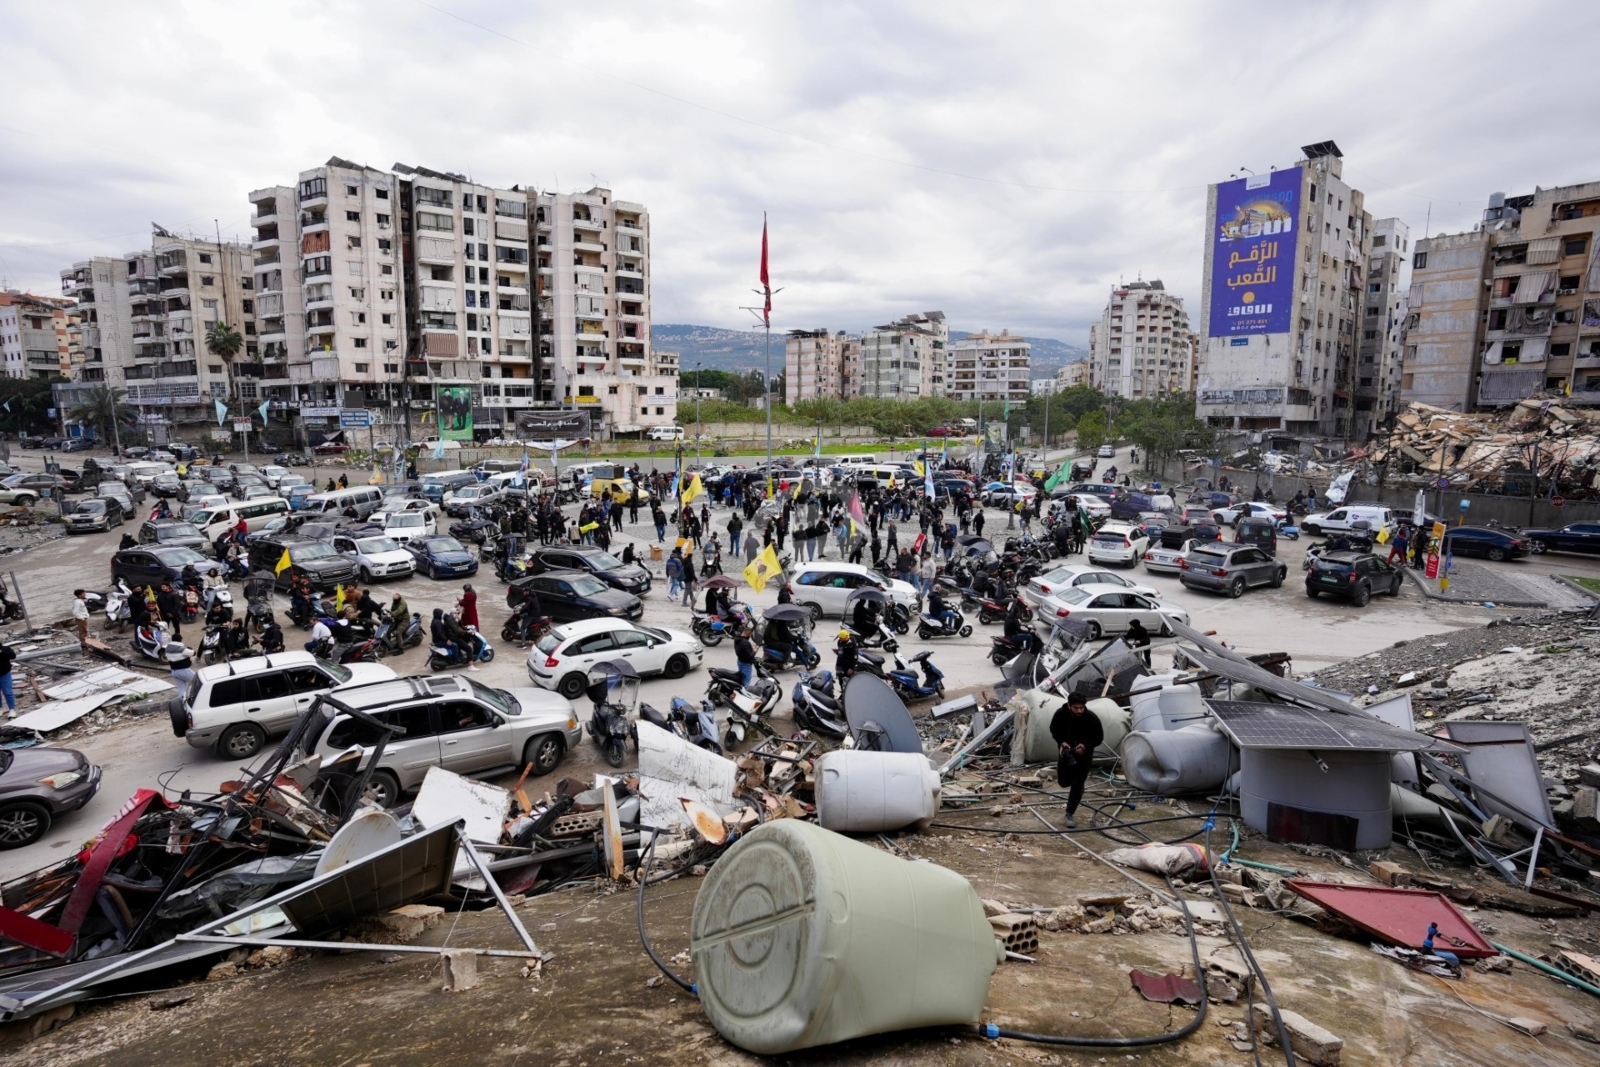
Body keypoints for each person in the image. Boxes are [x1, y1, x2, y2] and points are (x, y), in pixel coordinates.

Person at [1050, 689, 1104, 827]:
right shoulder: (1060, 715)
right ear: (1069, 706)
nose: (1079, 710)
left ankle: (1069, 813)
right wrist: (1061, 742)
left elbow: (1099, 738)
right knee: (1062, 782)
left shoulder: (1091, 718)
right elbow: (1054, 730)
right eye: (1076, 708)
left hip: (1084, 756)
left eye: (1081, 707)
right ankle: (1076, 786)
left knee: (1077, 784)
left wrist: (1085, 745)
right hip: (1066, 752)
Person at [0, 639, 14, 715]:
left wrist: (2, 652)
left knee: (7, 692)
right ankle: (0, 708)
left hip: (4, 674)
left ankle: (12, 709)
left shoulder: (6, 649)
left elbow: (13, 656)